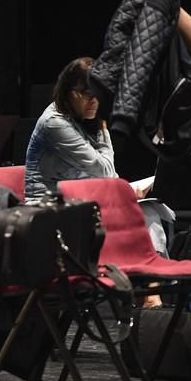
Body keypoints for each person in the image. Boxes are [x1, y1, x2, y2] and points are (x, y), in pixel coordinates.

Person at [25, 56, 173, 308]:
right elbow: (104, 170)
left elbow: (106, 174)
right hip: (49, 213)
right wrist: (104, 125)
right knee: (139, 213)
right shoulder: (55, 123)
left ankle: (150, 289)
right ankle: (147, 293)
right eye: (87, 95)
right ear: (69, 92)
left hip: (80, 206)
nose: (94, 101)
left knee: (147, 210)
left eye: (99, 96)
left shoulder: (83, 120)